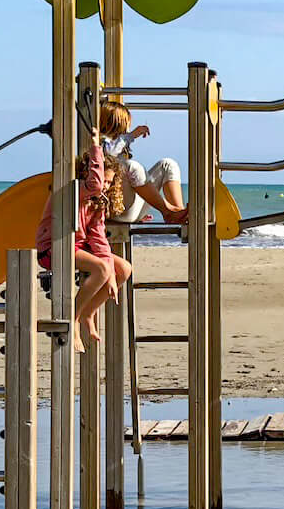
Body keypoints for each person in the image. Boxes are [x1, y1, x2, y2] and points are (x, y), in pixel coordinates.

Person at [35, 130, 132, 353]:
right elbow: (95, 184)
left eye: (109, 183)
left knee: (123, 269)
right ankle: (74, 319)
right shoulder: (74, 189)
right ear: (87, 173)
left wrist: (109, 268)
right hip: (54, 246)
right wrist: (96, 147)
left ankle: (89, 312)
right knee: (101, 269)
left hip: (78, 246)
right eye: (103, 180)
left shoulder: (98, 201)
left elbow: (98, 238)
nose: (105, 186)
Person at [99, 102, 188, 225]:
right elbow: (109, 152)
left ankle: (178, 212)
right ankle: (169, 211)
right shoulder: (101, 143)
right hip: (116, 210)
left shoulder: (120, 144)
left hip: (130, 208)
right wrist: (131, 136)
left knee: (168, 164)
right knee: (131, 166)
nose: (128, 129)